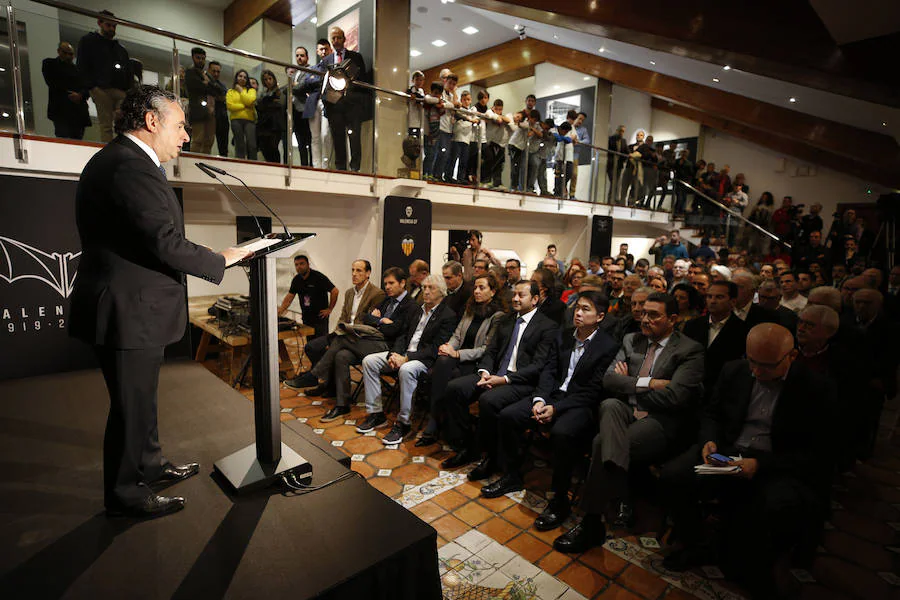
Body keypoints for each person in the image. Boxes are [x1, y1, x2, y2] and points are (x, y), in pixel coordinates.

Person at [68, 85, 251, 519]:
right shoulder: (128, 166)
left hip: (132, 308)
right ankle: (125, 494)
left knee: (141, 400)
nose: (186, 136)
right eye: (181, 125)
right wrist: (219, 259)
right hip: (128, 310)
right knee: (131, 407)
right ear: (152, 122)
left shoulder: (125, 162)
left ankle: (149, 465)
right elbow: (162, 242)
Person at [659, 324, 836, 597]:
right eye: (752, 361)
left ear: (792, 356)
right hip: (727, 451)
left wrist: (761, 465)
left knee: (779, 505)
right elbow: (712, 414)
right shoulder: (736, 370)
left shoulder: (815, 387)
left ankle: (754, 563)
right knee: (674, 476)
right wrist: (709, 440)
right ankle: (697, 542)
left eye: (766, 365)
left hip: (774, 461)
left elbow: (817, 452)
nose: (756, 371)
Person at [553, 292, 705, 553]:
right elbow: (609, 381)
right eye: (644, 313)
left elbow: (676, 397)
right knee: (609, 403)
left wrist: (630, 386)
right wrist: (650, 384)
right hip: (622, 411)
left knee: (602, 442)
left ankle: (592, 523)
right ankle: (619, 496)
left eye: (654, 315)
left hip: (658, 421)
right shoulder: (631, 339)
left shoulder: (689, 350)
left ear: (673, 319)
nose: (645, 319)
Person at [484, 291, 620, 519]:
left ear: (600, 317)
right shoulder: (563, 336)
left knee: (562, 432)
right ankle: (512, 475)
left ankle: (559, 499)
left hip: (580, 403)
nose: (578, 312)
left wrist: (556, 409)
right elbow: (548, 371)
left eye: (586, 309)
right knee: (509, 416)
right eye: (577, 307)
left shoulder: (607, 346)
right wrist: (540, 400)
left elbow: (593, 390)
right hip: (552, 395)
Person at [439, 280, 559, 469]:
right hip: (494, 374)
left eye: (522, 295)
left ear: (535, 299)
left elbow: (538, 366)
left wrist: (504, 380)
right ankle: (467, 445)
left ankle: (487, 455)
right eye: (514, 294)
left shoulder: (547, 326)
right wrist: (485, 372)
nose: (516, 298)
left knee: (488, 399)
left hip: (520, 382)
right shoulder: (506, 319)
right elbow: (491, 352)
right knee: (455, 389)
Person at [359, 274, 456, 443]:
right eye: (424, 287)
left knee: (406, 369)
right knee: (369, 361)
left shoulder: (447, 315)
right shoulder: (418, 309)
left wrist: (407, 358)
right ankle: (376, 413)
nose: (426, 291)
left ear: (441, 292)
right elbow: (403, 334)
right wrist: (393, 354)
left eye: (430, 288)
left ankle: (404, 422)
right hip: (403, 353)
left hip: (424, 360)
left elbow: (435, 349)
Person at [418, 272, 506, 446]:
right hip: (456, 358)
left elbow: (486, 349)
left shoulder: (498, 316)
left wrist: (457, 354)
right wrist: (449, 347)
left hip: (477, 364)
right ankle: (439, 422)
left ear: (493, 291)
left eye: (482, 288)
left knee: (441, 373)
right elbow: (457, 335)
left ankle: (436, 421)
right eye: (475, 288)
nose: (477, 291)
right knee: (442, 362)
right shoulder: (470, 309)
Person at [286, 259, 386, 389]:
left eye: (359, 270)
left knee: (338, 353)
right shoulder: (350, 293)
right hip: (343, 334)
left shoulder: (377, 294)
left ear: (368, 273)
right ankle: (326, 381)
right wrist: (336, 332)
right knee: (311, 347)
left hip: (360, 338)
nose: (354, 274)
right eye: (353, 270)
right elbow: (343, 317)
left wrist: (345, 331)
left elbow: (370, 323)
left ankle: (315, 378)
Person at [683, 281, 750, 398]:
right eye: (709, 296)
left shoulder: (743, 330)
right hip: (691, 389)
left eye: (719, 297)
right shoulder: (692, 325)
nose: (712, 301)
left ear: (733, 302)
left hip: (725, 393)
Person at [77, 10, 133, 143]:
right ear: (100, 23)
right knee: (106, 124)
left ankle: (122, 148)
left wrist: (127, 90)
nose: (112, 29)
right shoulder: (88, 42)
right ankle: (109, 152)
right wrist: (92, 87)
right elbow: (82, 65)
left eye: (114, 26)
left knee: (124, 123)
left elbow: (127, 71)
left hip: (119, 90)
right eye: (109, 25)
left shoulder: (119, 49)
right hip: (101, 89)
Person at [320, 26, 367, 172]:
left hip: (352, 104)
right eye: (333, 38)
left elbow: (363, 80)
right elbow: (322, 83)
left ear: (344, 39)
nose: (336, 41)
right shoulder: (326, 60)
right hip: (334, 106)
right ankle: (340, 168)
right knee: (338, 137)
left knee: (354, 138)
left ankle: (355, 168)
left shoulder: (356, 57)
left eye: (338, 37)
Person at [277, 255, 337, 339]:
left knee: (321, 343)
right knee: (310, 345)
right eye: (296, 265)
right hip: (307, 318)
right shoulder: (296, 280)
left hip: (320, 318)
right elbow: (289, 297)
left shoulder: (318, 277)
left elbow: (334, 291)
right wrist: (280, 310)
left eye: (302, 264)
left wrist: (330, 309)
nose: (299, 267)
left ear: (308, 264)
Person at [42, 42, 91, 140]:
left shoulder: (79, 70)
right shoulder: (50, 64)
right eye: (65, 53)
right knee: (63, 138)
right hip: (62, 108)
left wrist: (80, 95)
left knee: (76, 140)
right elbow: (52, 82)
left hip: (77, 110)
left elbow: (88, 87)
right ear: (59, 52)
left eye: (71, 54)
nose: (68, 56)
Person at [183, 48, 217, 155]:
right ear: (193, 57)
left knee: (209, 141)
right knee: (198, 140)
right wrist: (207, 85)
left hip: (210, 112)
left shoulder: (207, 75)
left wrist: (207, 84)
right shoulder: (190, 72)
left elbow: (216, 91)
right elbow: (197, 87)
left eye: (203, 58)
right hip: (198, 111)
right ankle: (195, 163)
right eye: (198, 58)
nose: (201, 60)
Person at [226, 69, 257, 160]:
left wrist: (240, 90)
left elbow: (250, 100)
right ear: (236, 77)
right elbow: (230, 106)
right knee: (239, 144)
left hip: (249, 120)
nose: (242, 78)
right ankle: (240, 163)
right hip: (236, 120)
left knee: (251, 144)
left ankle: (253, 164)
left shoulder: (251, 90)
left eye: (244, 77)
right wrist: (244, 106)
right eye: (240, 76)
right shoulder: (230, 92)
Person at [256, 69, 286, 163]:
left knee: (273, 147)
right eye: (265, 79)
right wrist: (268, 102)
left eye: (270, 78)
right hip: (263, 125)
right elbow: (259, 106)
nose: (268, 81)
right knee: (264, 148)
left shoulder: (279, 92)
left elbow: (280, 104)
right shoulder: (262, 93)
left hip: (275, 125)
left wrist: (267, 103)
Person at [206, 61, 230, 157]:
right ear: (208, 70)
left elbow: (223, 95)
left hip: (222, 117)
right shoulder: (204, 82)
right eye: (213, 71)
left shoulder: (222, 85)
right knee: (206, 143)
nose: (216, 74)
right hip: (208, 116)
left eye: (218, 71)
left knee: (223, 146)